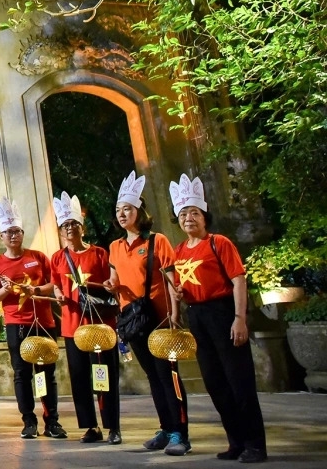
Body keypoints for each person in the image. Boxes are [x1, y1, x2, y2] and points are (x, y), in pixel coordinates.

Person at [170, 174, 267, 463]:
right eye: (184, 213)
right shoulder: (178, 251)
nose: (189, 218)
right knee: (214, 382)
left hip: (223, 312)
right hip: (198, 316)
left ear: (204, 216)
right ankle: (235, 441)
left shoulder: (219, 243)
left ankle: (255, 445)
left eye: (195, 213)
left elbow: (238, 281)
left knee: (239, 380)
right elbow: (186, 287)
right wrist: (179, 296)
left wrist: (240, 318)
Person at [105, 171, 188, 454]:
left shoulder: (157, 241)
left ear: (139, 211)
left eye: (127, 209)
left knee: (169, 375)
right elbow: (115, 282)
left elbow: (171, 279)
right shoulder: (114, 247)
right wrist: (110, 286)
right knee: (153, 376)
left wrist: (175, 315)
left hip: (160, 317)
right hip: (133, 320)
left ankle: (181, 434)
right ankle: (166, 428)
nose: (121, 214)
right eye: (118, 210)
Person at [0, 199, 66, 440]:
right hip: (16, 324)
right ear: (1, 236)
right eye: (8, 232)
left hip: (44, 323)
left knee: (46, 373)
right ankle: (28, 420)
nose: (13, 235)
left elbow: (54, 285)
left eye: (17, 231)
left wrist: (38, 291)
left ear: (22, 233)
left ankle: (52, 421)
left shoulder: (38, 257)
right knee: (22, 374)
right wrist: (7, 290)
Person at [49, 192, 119, 445]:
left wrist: (108, 285)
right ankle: (90, 426)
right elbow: (56, 284)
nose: (70, 228)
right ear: (60, 230)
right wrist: (57, 293)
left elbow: (111, 282)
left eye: (74, 224)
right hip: (72, 326)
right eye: (65, 225)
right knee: (79, 378)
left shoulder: (100, 253)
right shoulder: (57, 258)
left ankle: (112, 425)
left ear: (83, 227)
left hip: (99, 325)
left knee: (103, 374)